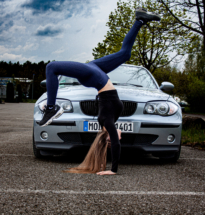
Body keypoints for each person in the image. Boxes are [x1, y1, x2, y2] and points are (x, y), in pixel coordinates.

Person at [39, 8, 161, 175]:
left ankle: (51, 108)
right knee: (125, 54)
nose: (119, 137)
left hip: (93, 77)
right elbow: (115, 140)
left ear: (107, 136)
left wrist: (113, 170)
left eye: (113, 139)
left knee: (51, 67)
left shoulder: (106, 120)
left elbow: (116, 145)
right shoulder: (114, 118)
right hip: (96, 71)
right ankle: (139, 20)